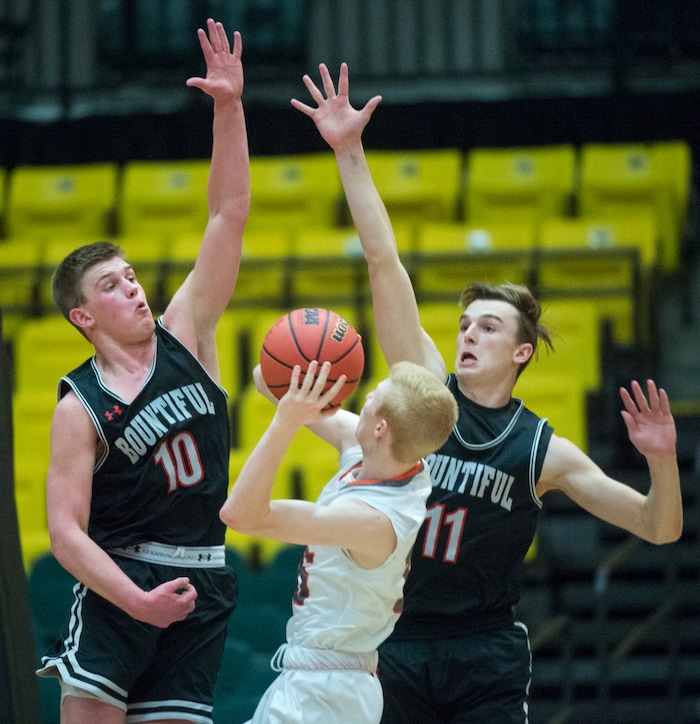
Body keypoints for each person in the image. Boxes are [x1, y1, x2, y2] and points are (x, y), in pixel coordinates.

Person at [291, 62, 684, 723]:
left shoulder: (541, 450)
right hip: (395, 637)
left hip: (485, 649)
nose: (469, 334)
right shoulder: (426, 392)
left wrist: (663, 458)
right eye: (465, 324)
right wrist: (348, 151)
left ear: (521, 351)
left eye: (489, 327)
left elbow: (659, 527)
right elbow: (384, 263)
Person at [35, 19, 250, 724]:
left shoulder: (187, 329)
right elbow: (65, 532)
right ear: (83, 317)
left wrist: (228, 106)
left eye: (131, 276)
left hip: (203, 578)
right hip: (121, 579)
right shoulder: (81, 404)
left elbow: (228, 213)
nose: (132, 288)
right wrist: (134, 600)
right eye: (111, 286)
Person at [220, 358, 458, 723]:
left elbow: (240, 515)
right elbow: (266, 380)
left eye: (371, 398)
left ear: (380, 428)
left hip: (329, 692)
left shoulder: (372, 521)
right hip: (318, 679)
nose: (361, 400)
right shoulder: (389, 456)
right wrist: (302, 363)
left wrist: (286, 423)